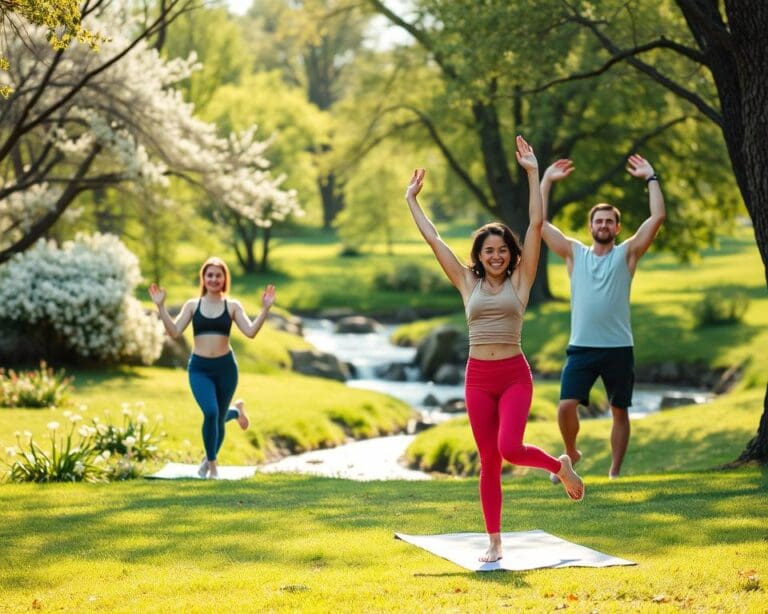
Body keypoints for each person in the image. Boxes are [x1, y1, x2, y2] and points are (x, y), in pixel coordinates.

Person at [405, 135, 584, 564]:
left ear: (511, 254)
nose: (497, 255)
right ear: (479, 256)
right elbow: (435, 241)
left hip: (513, 375)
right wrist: (412, 200)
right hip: (477, 380)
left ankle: (559, 466)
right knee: (489, 462)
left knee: (508, 448)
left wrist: (533, 173)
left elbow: (535, 226)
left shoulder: (522, 281)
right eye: (489, 250)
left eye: (503, 249)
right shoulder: (467, 282)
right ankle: (495, 541)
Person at [540, 155, 666, 480]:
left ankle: (614, 472)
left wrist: (651, 177)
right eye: (599, 221)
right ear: (590, 226)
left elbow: (658, 216)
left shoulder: (628, 253)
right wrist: (546, 182)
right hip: (581, 347)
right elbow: (538, 224)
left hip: (618, 348)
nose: (604, 226)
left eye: (609, 221)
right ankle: (571, 453)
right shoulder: (573, 253)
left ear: (617, 227)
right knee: (566, 406)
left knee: (619, 411)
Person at [148, 257, 276, 479]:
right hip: (200, 369)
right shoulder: (192, 305)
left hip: (226, 369)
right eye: (210, 275)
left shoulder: (233, 306)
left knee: (216, 419)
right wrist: (160, 306)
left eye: (218, 275)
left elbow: (251, 332)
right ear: (203, 278)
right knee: (211, 412)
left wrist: (265, 309)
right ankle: (213, 467)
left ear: (224, 278)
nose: (214, 279)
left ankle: (231, 418)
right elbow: (174, 332)